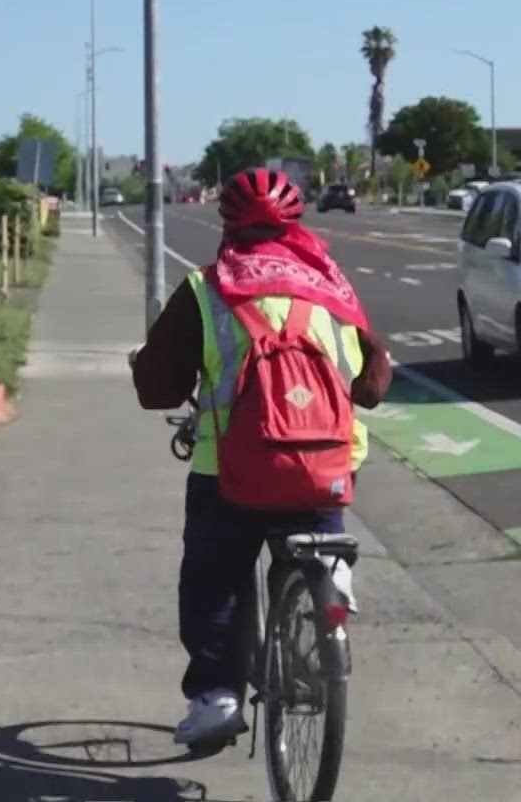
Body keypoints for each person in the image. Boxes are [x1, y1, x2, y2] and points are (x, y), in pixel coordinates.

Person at [129, 168, 392, 746]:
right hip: (325, 471)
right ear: (296, 224)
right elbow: (372, 385)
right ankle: (322, 624)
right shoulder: (333, 288)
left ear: (227, 225)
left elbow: (159, 391)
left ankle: (217, 697)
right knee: (318, 554)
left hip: (227, 473)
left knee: (215, 577)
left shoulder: (205, 290)